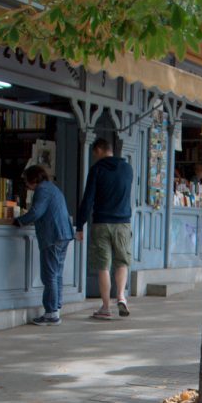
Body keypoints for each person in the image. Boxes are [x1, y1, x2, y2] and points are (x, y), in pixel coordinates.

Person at [75, 137, 133, 320]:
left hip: (101, 223)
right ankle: (121, 296)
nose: (94, 157)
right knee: (122, 262)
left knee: (103, 266)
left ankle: (106, 307)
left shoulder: (97, 169)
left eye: (94, 153)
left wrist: (80, 224)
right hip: (123, 223)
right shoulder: (127, 169)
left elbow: (88, 199)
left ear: (99, 150)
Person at [13, 163, 74, 326]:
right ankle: (55, 309)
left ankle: (51, 313)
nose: (26, 185)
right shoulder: (52, 188)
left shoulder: (42, 190)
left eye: (27, 181)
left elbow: (36, 212)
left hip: (53, 236)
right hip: (63, 234)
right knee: (57, 274)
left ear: (33, 179)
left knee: (50, 275)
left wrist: (19, 221)